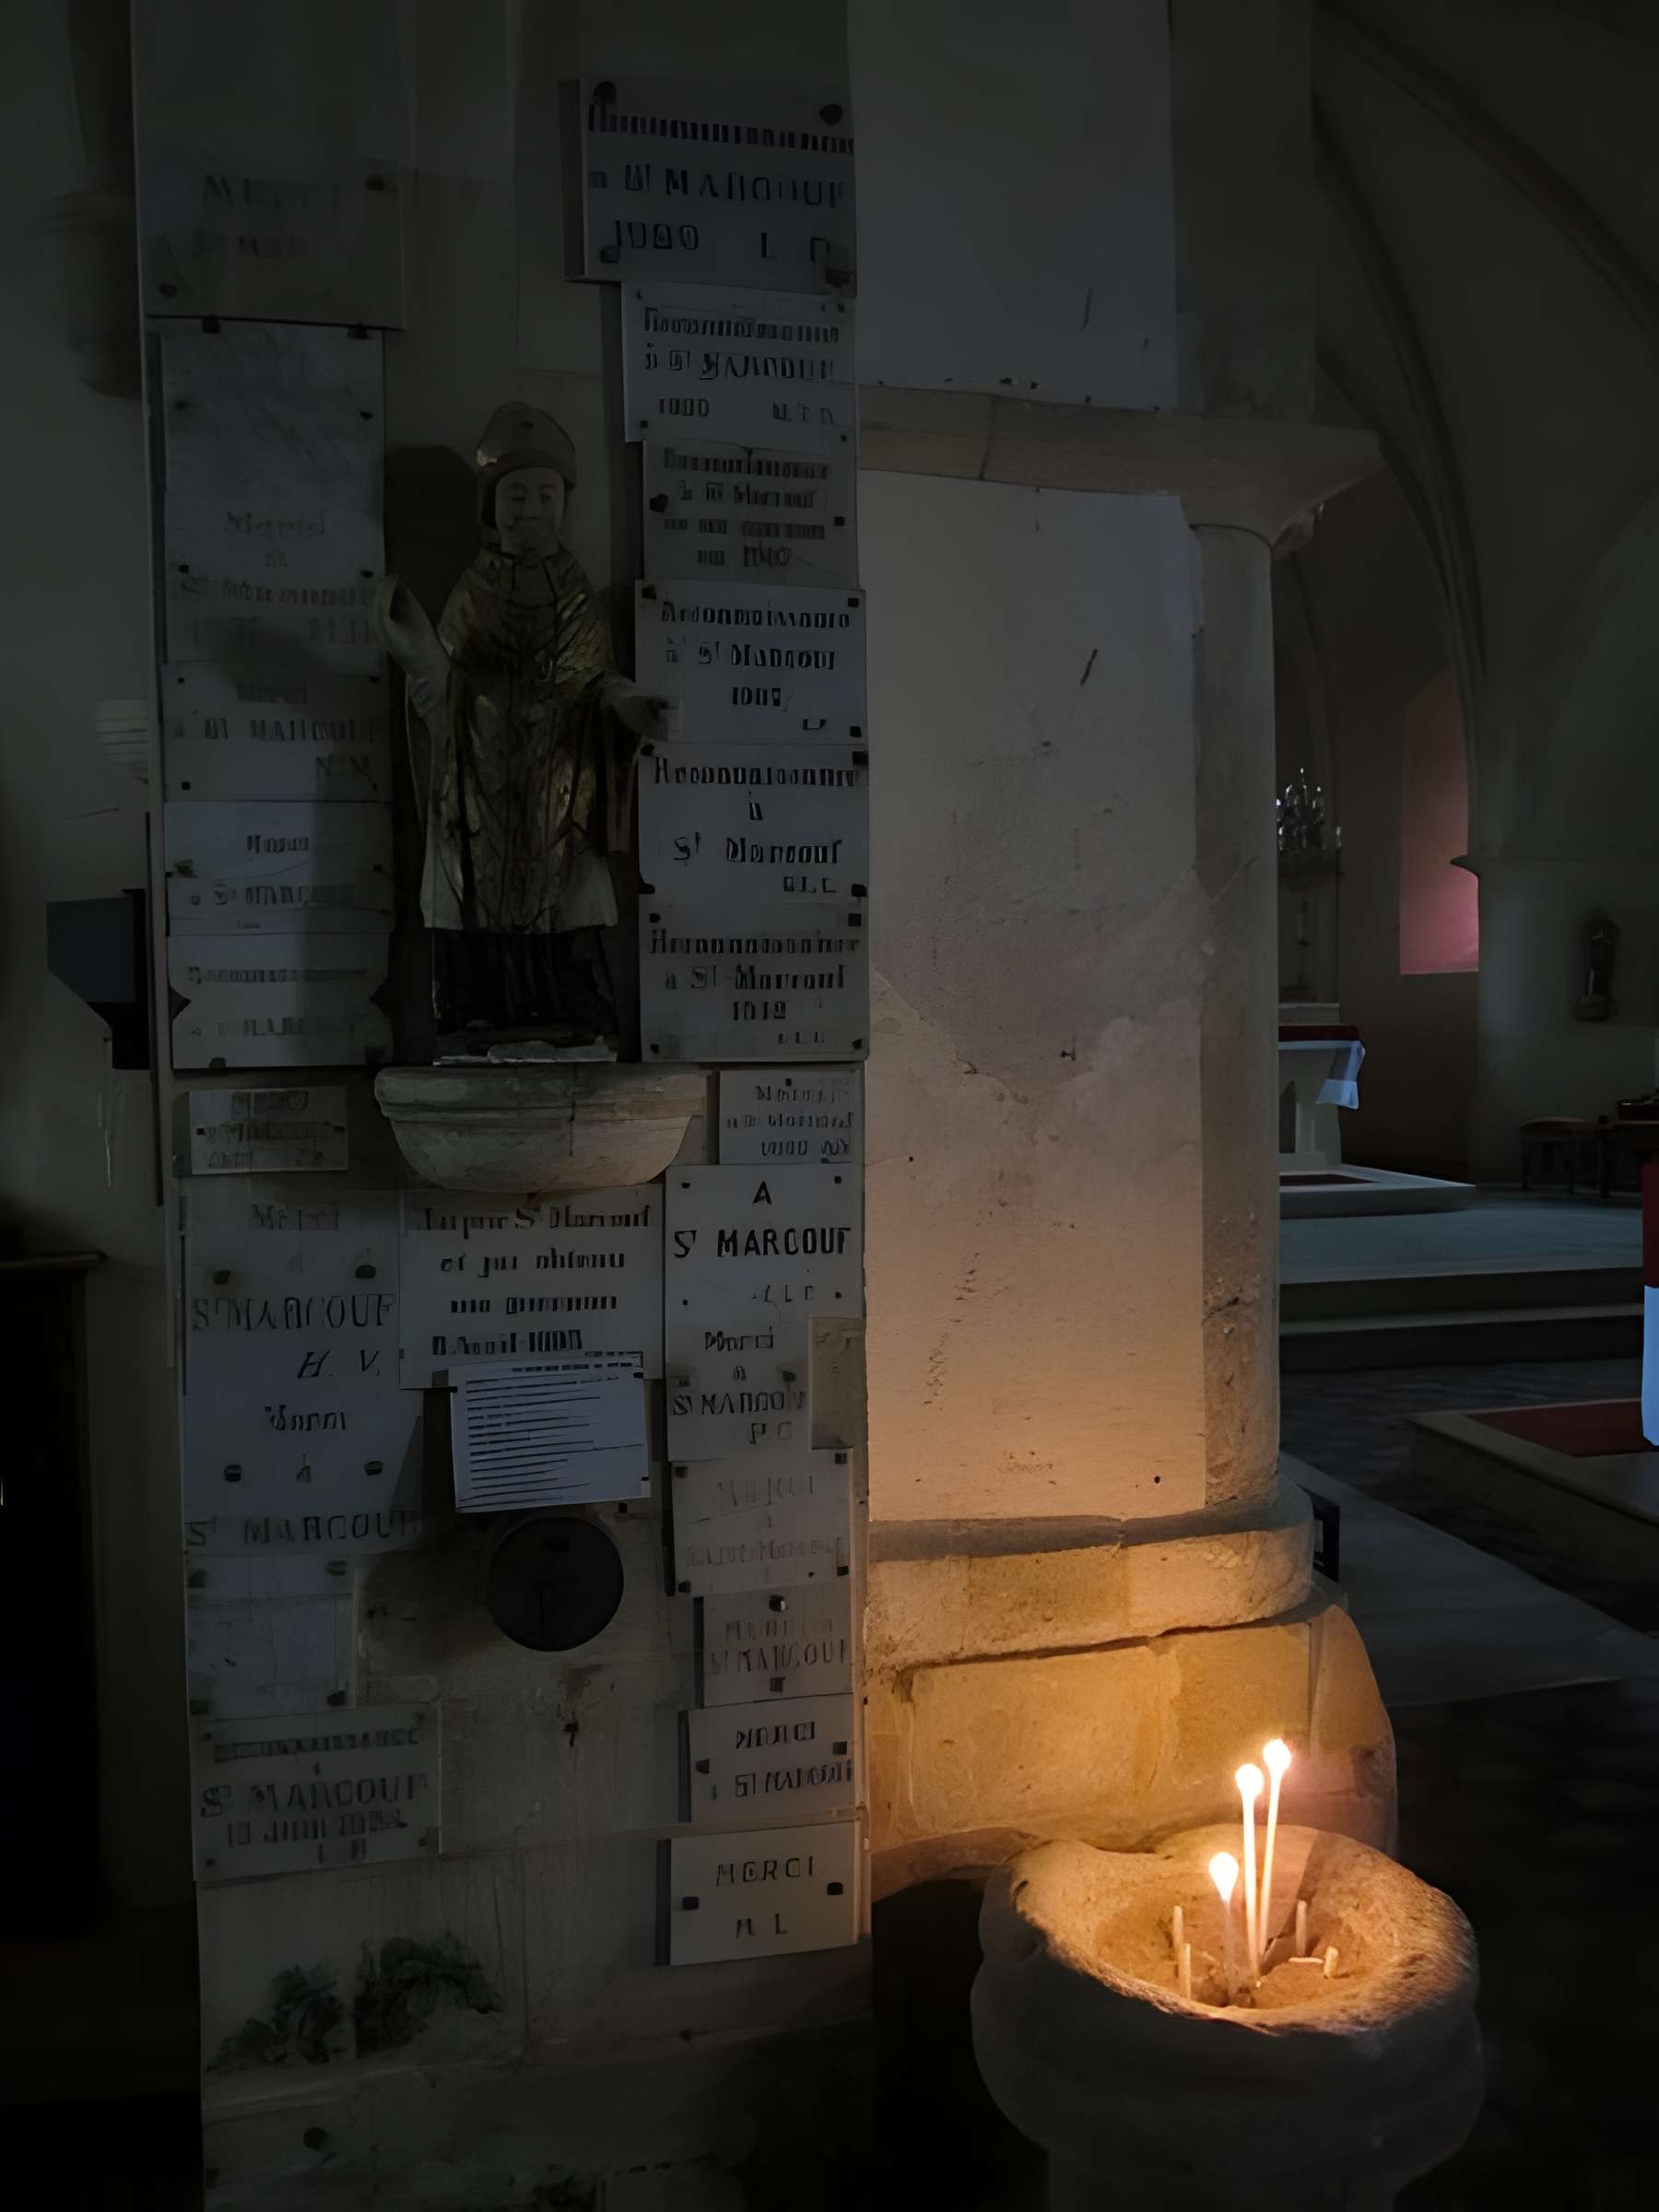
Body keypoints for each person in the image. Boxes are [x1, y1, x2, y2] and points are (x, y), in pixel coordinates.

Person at [375, 404, 671, 1052]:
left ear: (564, 504)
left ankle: (572, 1014)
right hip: (480, 775)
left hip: (561, 782)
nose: (530, 510)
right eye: (516, 495)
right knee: (472, 888)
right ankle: (477, 1013)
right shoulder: (474, 590)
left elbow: (598, 682)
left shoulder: (576, 591)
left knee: (569, 892)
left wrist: (633, 709)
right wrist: (415, 650)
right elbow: (445, 683)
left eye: (543, 495)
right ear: (492, 507)